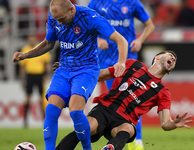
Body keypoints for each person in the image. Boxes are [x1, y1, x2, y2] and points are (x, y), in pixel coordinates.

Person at [12, 0, 128, 150]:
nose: (59, 23)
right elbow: (48, 44)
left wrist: (121, 62)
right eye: (57, 20)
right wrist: (26, 55)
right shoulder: (55, 17)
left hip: (86, 70)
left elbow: (121, 40)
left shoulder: (90, 17)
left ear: (72, 10)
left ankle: (87, 148)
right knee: (51, 110)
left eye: (61, 19)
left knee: (75, 111)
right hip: (64, 69)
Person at [55, 50, 193, 150]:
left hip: (125, 120)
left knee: (128, 129)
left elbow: (165, 123)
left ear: (169, 72)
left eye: (174, 60)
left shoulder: (163, 92)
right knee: (85, 128)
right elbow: (101, 75)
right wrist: (72, 71)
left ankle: (109, 148)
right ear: (157, 57)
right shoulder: (133, 65)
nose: (173, 58)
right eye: (171, 55)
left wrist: (173, 124)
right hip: (105, 108)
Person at [88, 0, 155, 149]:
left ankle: (137, 141)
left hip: (128, 60)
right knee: (115, 102)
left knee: (133, 100)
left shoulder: (132, 3)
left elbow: (150, 25)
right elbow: (85, 26)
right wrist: (97, 39)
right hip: (107, 62)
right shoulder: (96, 3)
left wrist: (140, 40)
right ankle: (119, 136)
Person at [19, 34, 51, 127]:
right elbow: (22, 67)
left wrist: (46, 75)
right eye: (30, 39)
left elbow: (47, 64)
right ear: (28, 40)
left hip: (40, 75)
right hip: (30, 76)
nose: (32, 41)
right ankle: (25, 121)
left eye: (33, 39)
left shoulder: (40, 49)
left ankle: (44, 120)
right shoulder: (25, 50)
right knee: (28, 98)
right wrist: (22, 79)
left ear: (36, 40)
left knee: (42, 99)